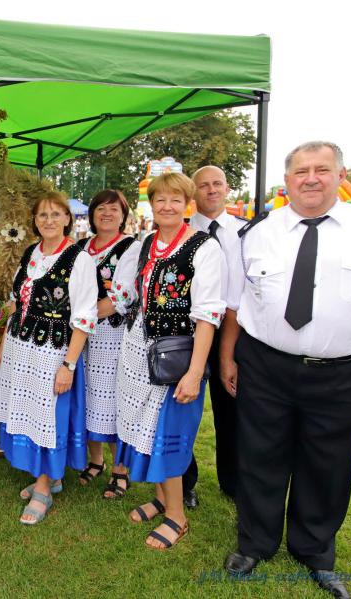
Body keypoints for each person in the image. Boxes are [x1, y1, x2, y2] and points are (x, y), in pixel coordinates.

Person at [220, 142, 351, 598]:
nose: (310, 178)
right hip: (266, 367)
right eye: (301, 171)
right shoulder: (256, 233)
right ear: (287, 180)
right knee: (259, 457)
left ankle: (314, 551)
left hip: (342, 374)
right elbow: (236, 304)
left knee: (329, 463)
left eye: (321, 169)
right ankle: (255, 543)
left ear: (341, 175)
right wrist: (227, 357)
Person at [109, 172, 224, 549]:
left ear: (188, 204)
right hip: (139, 352)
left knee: (167, 435)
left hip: (177, 358)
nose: (168, 206)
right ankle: (162, 499)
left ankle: (177, 516)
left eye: (176, 199)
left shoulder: (203, 247)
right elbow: (130, 295)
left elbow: (208, 316)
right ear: (151, 204)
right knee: (144, 429)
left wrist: (194, 372)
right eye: (160, 199)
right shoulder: (147, 243)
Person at [0, 191, 97, 525]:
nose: (49, 220)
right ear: (35, 221)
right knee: (28, 412)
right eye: (42, 215)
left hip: (53, 352)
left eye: (56, 214)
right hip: (21, 348)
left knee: (47, 418)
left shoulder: (79, 259)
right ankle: (48, 477)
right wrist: (4, 343)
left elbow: (84, 318)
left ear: (68, 219)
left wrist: (68, 365)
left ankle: (44, 487)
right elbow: (17, 302)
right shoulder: (31, 252)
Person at [179, 165, 245, 508]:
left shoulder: (247, 232)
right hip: (189, 332)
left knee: (231, 409)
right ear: (194, 193)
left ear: (227, 188)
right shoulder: (182, 233)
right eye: (203, 185)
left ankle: (232, 481)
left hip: (234, 332)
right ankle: (184, 481)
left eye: (217, 183)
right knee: (183, 409)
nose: (211, 190)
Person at [76, 190, 137, 499]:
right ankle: (96, 460)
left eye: (114, 209)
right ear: (92, 214)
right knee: (87, 397)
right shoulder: (81, 247)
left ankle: (120, 469)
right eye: (101, 208)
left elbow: (121, 296)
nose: (107, 213)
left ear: (123, 215)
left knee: (113, 400)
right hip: (81, 336)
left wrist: (80, 317)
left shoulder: (130, 247)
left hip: (112, 336)